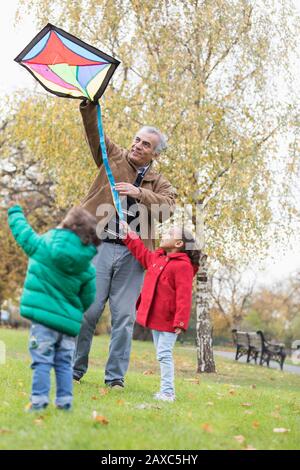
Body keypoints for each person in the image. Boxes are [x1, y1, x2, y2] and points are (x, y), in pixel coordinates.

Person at [73, 100, 176, 388]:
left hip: (133, 256)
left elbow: (168, 207)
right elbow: (95, 133)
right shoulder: (113, 157)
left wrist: (138, 192)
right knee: (88, 311)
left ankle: (114, 378)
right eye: (137, 139)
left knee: (124, 318)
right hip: (101, 247)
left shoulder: (159, 182)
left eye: (145, 145)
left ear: (154, 153)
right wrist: (88, 106)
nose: (138, 146)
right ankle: (75, 370)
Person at [7, 205, 100, 411]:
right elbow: (88, 298)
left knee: (41, 362)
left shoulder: (44, 245)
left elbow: (23, 234)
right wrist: (73, 310)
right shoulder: (87, 266)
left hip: (43, 324)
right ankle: (65, 402)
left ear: (68, 224)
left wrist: (15, 213)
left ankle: (39, 402)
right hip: (67, 327)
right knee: (64, 364)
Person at [120, 223, 200, 401]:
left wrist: (180, 321)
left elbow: (184, 296)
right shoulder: (158, 259)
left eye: (170, 233)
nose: (165, 234)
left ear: (178, 243)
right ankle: (165, 390)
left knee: (164, 354)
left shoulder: (183, 266)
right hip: (155, 318)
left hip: (170, 320)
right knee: (160, 354)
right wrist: (128, 234)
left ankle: (168, 392)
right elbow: (140, 251)